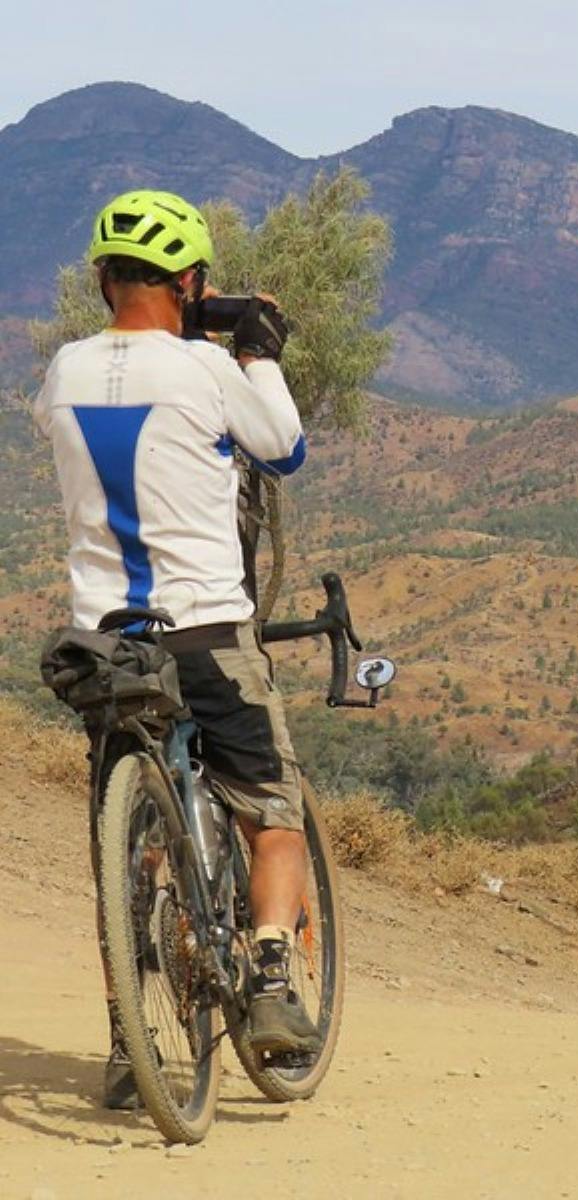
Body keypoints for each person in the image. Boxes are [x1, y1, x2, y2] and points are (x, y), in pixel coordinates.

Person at [34, 189, 320, 1109]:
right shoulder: (204, 369)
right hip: (205, 633)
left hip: (106, 644)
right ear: (190, 282)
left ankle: (132, 1035)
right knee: (273, 813)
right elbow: (283, 451)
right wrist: (256, 353)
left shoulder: (61, 373)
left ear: (101, 279)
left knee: (130, 840)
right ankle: (272, 979)